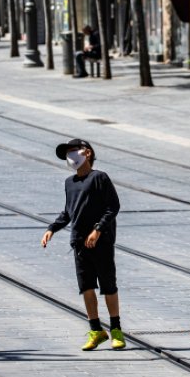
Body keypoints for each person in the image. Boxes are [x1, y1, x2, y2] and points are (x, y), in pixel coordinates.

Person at [41, 139, 126, 351]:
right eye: (67, 154)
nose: (70, 157)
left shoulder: (100, 178)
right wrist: (52, 228)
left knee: (108, 286)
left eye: (73, 151)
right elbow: (68, 212)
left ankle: (116, 330)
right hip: (79, 243)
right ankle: (96, 331)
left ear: (86, 153)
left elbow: (112, 206)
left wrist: (98, 230)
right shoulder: (69, 183)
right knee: (86, 287)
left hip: (101, 241)